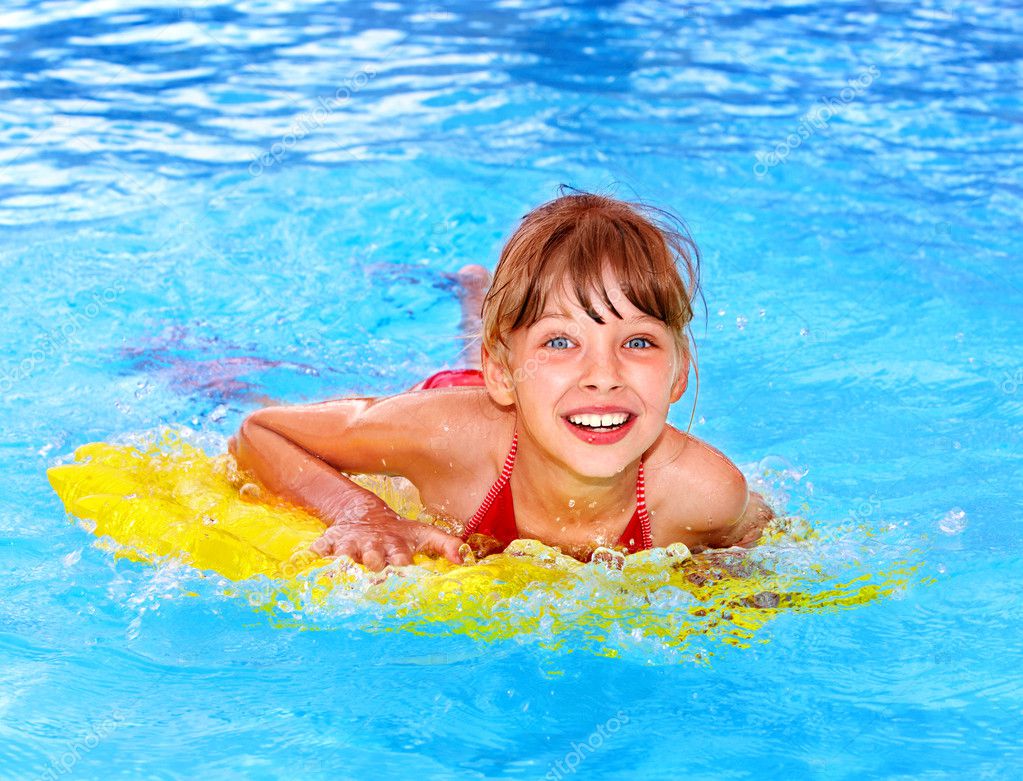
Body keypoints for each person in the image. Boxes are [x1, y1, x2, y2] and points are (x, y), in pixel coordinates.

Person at [229, 191, 773, 571]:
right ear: (501, 373)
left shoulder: (703, 492)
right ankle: (477, 300)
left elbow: (761, 537)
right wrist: (365, 513)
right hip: (463, 398)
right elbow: (261, 432)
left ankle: (497, 309)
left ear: (678, 372)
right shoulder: (444, 440)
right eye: (562, 340)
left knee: (506, 343)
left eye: (638, 343)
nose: (604, 377)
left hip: (533, 391)